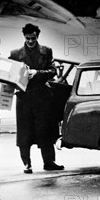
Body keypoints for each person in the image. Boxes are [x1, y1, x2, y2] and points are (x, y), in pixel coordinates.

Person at [10, 24, 64, 174]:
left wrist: (37, 72)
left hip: (42, 97)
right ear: (24, 37)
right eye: (28, 39)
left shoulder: (46, 51)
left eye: (33, 38)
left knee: (45, 130)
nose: (31, 41)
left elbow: (53, 71)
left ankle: (49, 162)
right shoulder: (15, 54)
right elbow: (8, 72)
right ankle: (26, 164)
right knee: (24, 133)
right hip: (24, 98)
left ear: (37, 36)